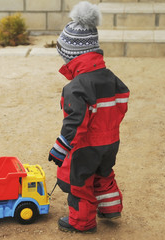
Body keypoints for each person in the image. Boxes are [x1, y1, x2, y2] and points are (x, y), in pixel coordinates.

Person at [48, 1, 130, 233]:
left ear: (72, 56)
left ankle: (82, 223)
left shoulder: (76, 87)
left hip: (87, 146)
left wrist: (60, 148)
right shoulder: (110, 77)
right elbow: (122, 100)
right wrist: (109, 125)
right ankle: (111, 208)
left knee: (80, 183)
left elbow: (75, 122)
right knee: (104, 175)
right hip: (111, 141)